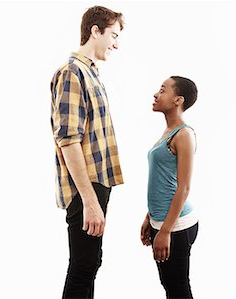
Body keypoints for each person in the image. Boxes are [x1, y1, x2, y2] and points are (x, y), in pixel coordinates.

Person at [49, 6, 124, 299]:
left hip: (96, 186)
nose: (116, 44)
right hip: (85, 190)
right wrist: (90, 202)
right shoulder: (72, 72)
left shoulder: (91, 73)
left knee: (90, 263)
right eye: (113, 35)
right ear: (95, 30)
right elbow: (68, 141)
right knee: (82, 267)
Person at [140, 76, 199, 299]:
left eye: (163, 90)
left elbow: (184, 188)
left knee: (178, 290)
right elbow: (163, 181)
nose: (156, 94)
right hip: (161, 221)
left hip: (176, 227)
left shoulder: (184, 135)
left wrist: (165, 231)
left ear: (178, 100)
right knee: (170, 286)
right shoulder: (168, 132)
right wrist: (150, 217)